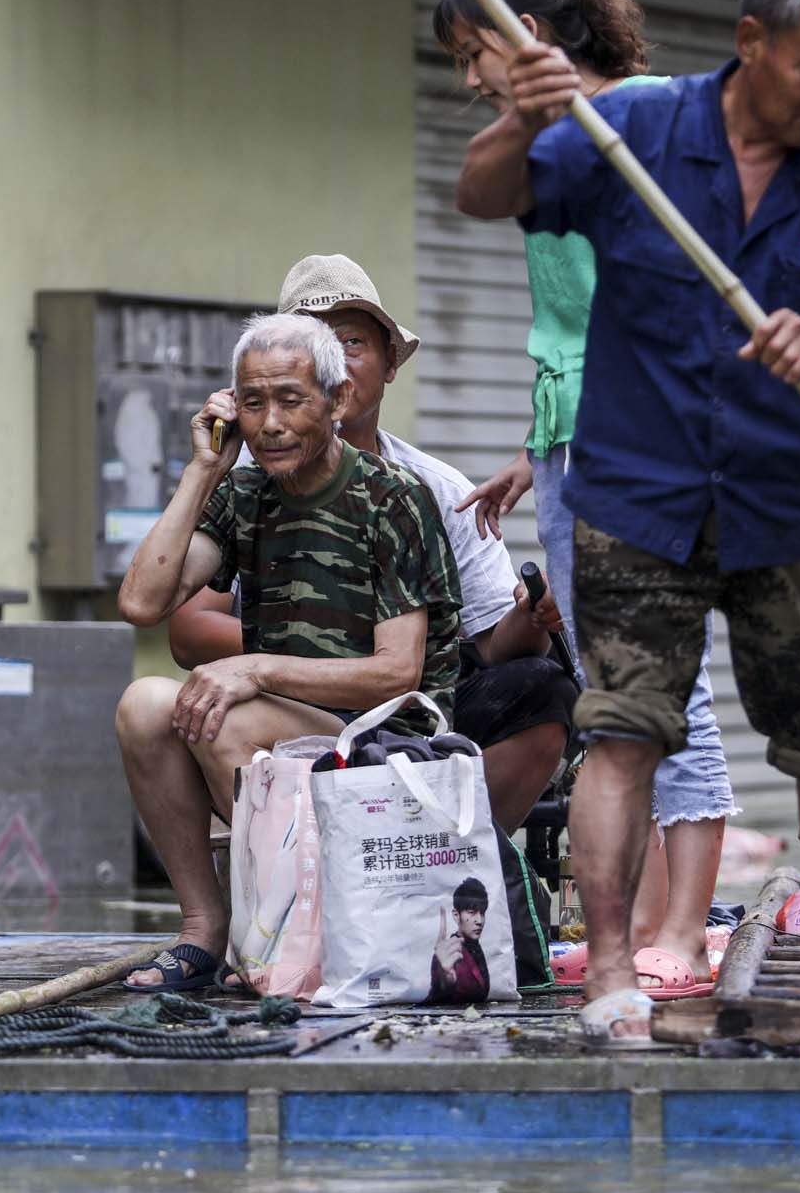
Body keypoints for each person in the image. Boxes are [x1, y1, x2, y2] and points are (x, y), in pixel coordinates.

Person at [455, 0, 800, 1043]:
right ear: (752, 43)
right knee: (623, 734)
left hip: (787, 499)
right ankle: (616, 969)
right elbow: (484, 194)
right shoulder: (641, 132)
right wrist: (523, 114)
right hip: (634, 494)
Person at [440, 0, 734, 999]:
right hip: (576, 437)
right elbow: (576, 309)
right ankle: (650, 921)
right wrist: (537, 449)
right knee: (615, 690)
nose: (470, 80)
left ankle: (687, 931)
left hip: (651, 440)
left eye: (473, 53)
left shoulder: (654, 112)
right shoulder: (544, 139)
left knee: (669, 685)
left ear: (521, 29)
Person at [170, 256, 574, 840]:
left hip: (395, 704)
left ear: (388, 363)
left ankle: (460, 862)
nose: (335, 355)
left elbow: (490, 645)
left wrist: (532, 611)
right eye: (315, 340)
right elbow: (182, 628)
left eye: (352, 340)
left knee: (542, 687)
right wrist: (294, 661)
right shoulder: (241, 482)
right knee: (160, 707)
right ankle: (244, 908)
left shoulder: (424, 489)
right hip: (280, 697)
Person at [117, 313, 463, 991]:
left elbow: (398, 674)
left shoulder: (391, 497)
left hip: (388, 749)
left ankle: (281, 939)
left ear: (336, 402)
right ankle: (203, 931)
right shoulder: (245, 492)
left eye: (290, 400)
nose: (269, 423)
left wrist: (255, 667)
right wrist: (203, 469)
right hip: (290, 736)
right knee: (144, 706)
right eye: (252, 403)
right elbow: (142, 602)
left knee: (227, 713)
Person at [425, 879, 493, 1005]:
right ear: (456, 915)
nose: (479, 920)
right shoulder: (448, 953)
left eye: (482, 913)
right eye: (472, 913)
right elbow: (438, 994)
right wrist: (445, 981)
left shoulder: (475, 947)